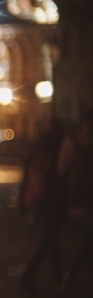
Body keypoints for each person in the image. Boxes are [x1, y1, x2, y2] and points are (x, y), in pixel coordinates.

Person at [19, 117, 66, 293]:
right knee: (49, 241)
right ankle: (29, 277)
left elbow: (28, 177)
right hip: (50, 200)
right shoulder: (54, 147)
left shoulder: (40, 146)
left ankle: (60, 278)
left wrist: (24, 201)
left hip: (44, 200)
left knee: (51, 242)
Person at [58, 109, 93, 291]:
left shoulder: (74, 141)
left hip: (85, 198)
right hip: (78, 197)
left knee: (86, 239)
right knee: (85, 239)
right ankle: (71, 274)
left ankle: (73, 275)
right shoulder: (72, 142)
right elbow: (62, 170)